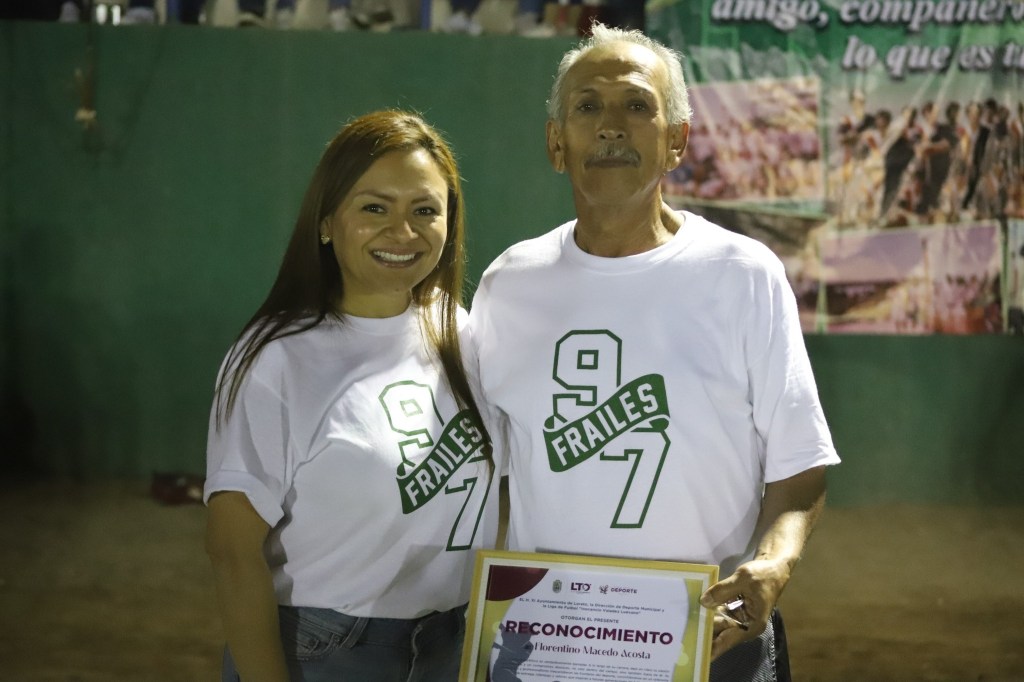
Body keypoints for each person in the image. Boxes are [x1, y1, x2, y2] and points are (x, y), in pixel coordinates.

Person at [468, 24, 840, 681]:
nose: (612, 126)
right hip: (547, 645)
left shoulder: (744, 274)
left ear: (677, 141)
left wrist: (775, 563)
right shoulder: (507, 285)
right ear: (557, 143)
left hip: (711, 640)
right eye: (587, 107)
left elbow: (801, 467)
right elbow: (488, 477)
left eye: (638, 106)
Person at [204, 110, 499, 682]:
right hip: (328, 650)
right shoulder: (275, 358)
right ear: (326, 221)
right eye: (374, 208)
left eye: (425, 210)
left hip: (450, 644)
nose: (403, 232)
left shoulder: (459, 331)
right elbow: (232, 553)